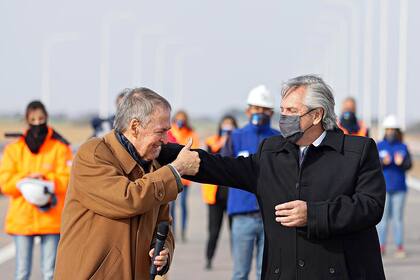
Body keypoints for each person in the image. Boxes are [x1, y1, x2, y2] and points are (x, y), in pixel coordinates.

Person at [159, 75, 386, 280]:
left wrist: (313, 214)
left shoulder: (357, 151)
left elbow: (370, 206)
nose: (283, 117)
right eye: (282, 110)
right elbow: (223, 167)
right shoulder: (272, 151)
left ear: (317, 115)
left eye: (291, 111)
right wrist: (161, 150)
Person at [54, 88, 200, 280]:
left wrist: (163, 251)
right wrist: (175, 170)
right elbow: (127, 199)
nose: (166, 140)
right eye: (160, 131)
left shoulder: (155, 168)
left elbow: (164, 224)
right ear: (134, 127)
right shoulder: (93, 154)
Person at [0, 100, 72, 280]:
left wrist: (46, 180)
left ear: (46, 118)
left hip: (51, 218)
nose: (37, 123)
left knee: (50, 273)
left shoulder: (60, 148)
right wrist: (25, 180)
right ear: (27, 120)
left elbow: (69, 179)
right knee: (21, 272)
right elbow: (5, 182)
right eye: (33, 119)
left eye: (41, 119)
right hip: (22, 218)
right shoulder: (14, 149)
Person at [224, 85, 279, 280]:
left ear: (271, 112)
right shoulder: (235, 137)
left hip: (270, 217)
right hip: (242, 215)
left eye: (264, 109)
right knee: (240, 273)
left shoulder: (279, 139)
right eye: (256, 108)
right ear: (248, 110)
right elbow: (224, 169)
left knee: (265, 273)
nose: (260, 113)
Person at [202, 115, 237, 270]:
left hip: (233, 196)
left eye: (231, 126)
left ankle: (238, 259)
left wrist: (231, 141)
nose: (228, 128)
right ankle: (209, 259)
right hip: (214, 196)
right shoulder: (212, 141)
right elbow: (208, 159)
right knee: (213, 230)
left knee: (235, 232)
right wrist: (222, 143)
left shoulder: (237, 141)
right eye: (225, 125)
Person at [376, 115, 412, 258]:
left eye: (393, 129)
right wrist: (383, 162)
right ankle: (380, 247)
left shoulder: (403, 146)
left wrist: (401, 163)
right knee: (382, 220)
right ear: (385, 130)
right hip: (383, 189)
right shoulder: (379, 146)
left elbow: (409, 165)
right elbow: (373, 165)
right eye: (388, 129)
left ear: (397, 131)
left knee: (398, 219)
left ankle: (399, 247)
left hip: (399, 189)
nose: (391, 132)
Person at [169, 110, 200, 241]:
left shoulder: (191, 133)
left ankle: (183, 230)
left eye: (182, 119)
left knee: (183, 205)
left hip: (185, 176)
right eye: (178, 119)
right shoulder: (170, 131)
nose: (180, 121)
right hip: (172, 174)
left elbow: (196, 150)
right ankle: (173, 230)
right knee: (172, 206)